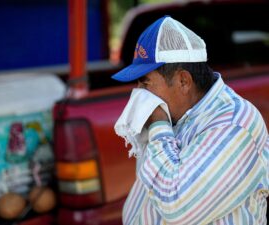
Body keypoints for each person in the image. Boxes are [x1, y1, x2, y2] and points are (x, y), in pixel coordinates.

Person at [112, 15, 269, 224]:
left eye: (145, 83)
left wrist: (158, 125)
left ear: (183, 81)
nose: (139, 93)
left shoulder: (234, 124)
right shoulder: (173, 115)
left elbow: (178, 207)